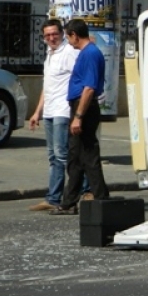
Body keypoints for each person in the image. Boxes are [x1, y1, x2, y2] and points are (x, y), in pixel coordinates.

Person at [27, 19, 90, 212]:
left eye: (54, 34)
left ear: (62, 33)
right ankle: (54, 197)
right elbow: (47, 87)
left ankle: (82, 191)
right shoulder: (49, 54)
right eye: (47, 35)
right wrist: (37, 112)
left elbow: (80, 79)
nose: (51, 38)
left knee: (64, 155)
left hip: (64, 110)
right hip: (50, 111)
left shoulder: (69, 52)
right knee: (54, 156)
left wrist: (78, 112)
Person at [50, 19, 110, 215]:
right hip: (79, 106)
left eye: (68, 36)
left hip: (84, 107)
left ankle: (101, 197)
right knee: (75, 157)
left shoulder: (90, 54)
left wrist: (78, 116)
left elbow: (89, 88)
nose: (68, 41)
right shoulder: (87, 52)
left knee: (88, 154)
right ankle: (69, 201)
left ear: (75, 35)